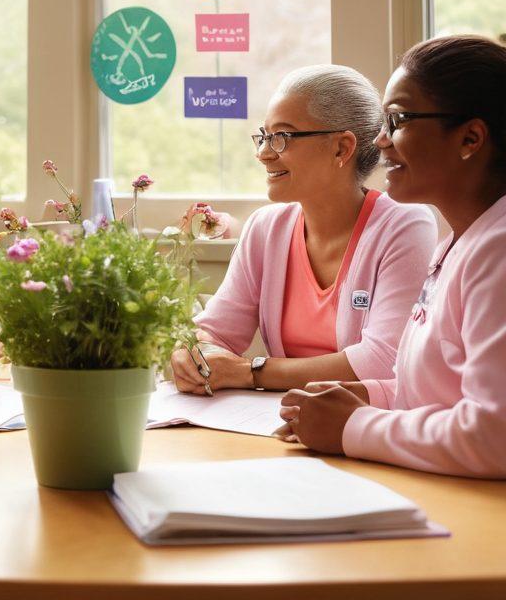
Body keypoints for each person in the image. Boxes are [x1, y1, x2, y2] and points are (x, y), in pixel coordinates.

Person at [279, 36, 506, 478]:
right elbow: (439, 394)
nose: (380, 141)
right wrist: (366, 396)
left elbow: (494, 433)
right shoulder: (460, 243)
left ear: (470, 138)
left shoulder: (498, 252)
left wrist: (355, 425)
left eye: (398, 119)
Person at [171, 65, 436, 394]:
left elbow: (383, 359)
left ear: (341, 148)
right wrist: (193, 353)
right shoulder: (265, 228)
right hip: (277, 424)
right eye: (264, 136)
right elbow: (215, 332)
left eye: (282, 137)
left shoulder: (405, 226)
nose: (263, 153)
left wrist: (251, 372)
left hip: (358, 430)